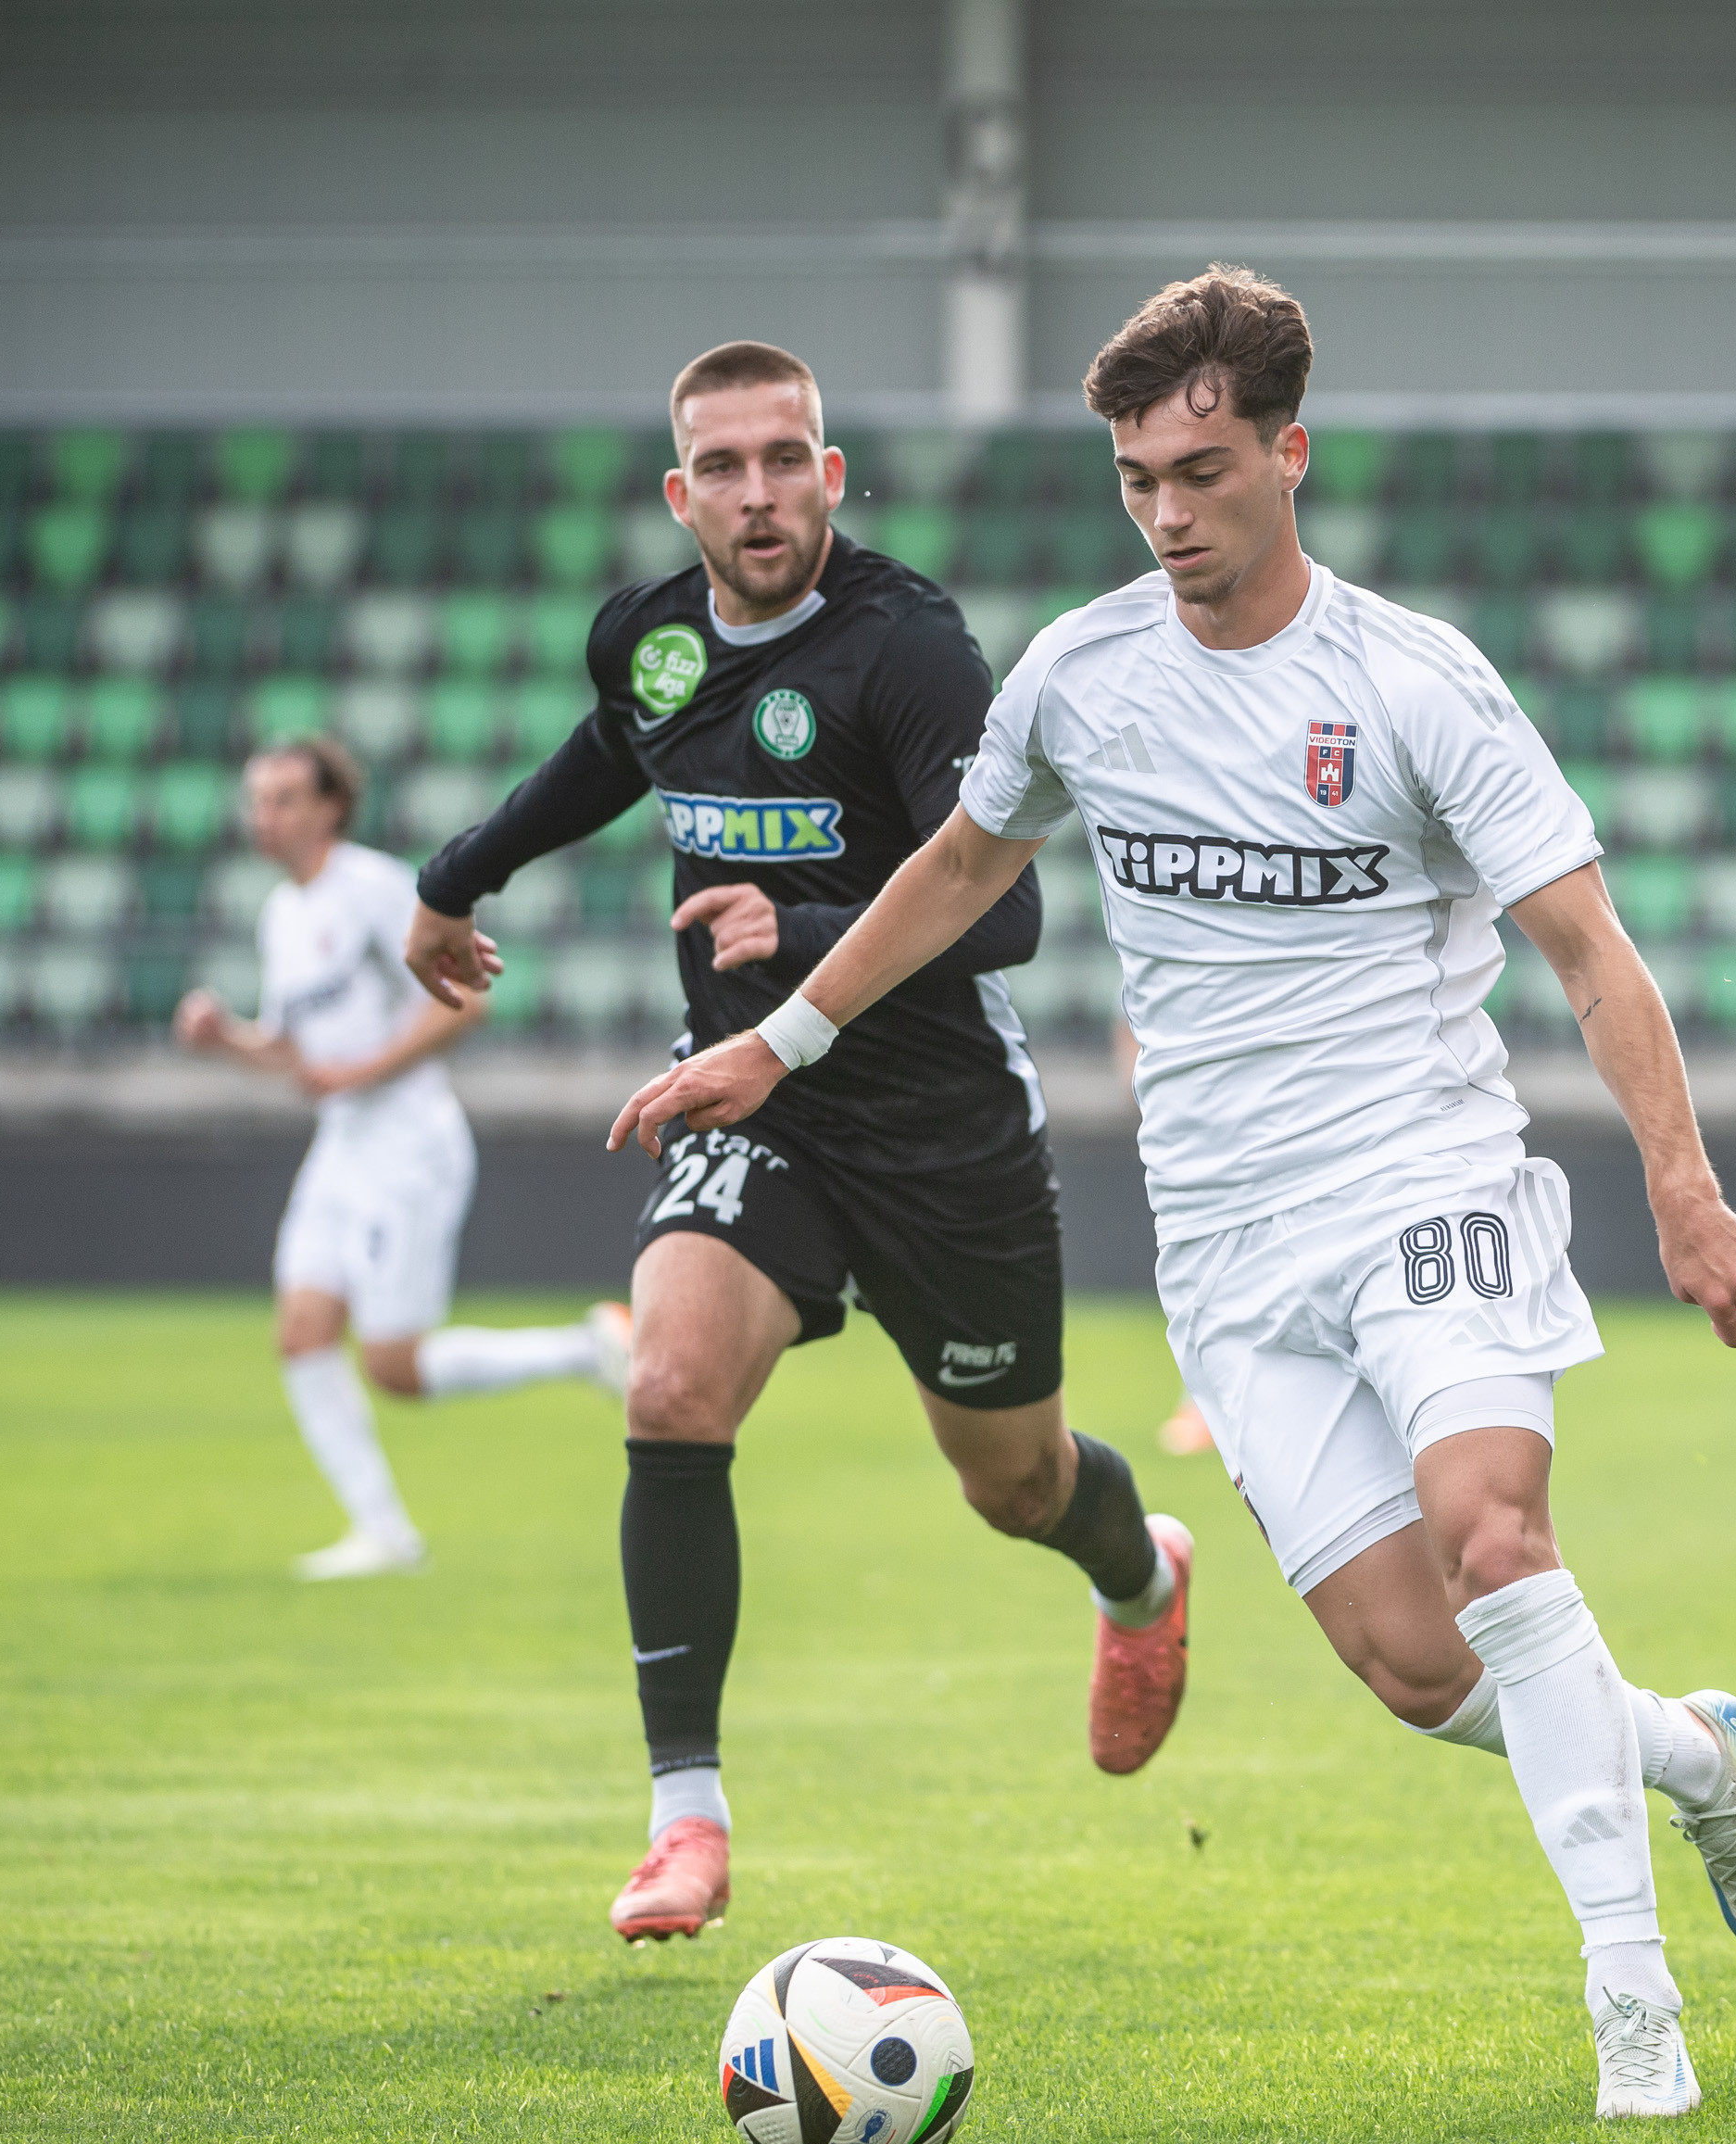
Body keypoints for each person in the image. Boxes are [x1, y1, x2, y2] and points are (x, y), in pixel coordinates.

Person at [606, 271, 1736, 2122]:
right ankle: (1695, 1758)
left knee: (1497, 1541)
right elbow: (957, 869)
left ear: (1288, 453)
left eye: (1201, 471)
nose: (1166, 514)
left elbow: (1590, 952)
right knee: (1418, 1670)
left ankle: (1632, 2011)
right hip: (1232, 1245)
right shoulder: (1083, 674)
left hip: (1422, 1177)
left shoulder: (1413, 684)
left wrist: (1684, 1190)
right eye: (1136, 481)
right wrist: (784, 1041)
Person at [400, 342, 1190, 1945]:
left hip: (940, 1127)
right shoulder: (651, 640)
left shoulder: (909, 650)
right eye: (724, 467)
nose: (756, 495)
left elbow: (1011, 915)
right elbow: (611, 749)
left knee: (1014, 1483)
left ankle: (1144, 1579)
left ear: (829, 477)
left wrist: (803, 925)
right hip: (754, 1105)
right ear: (679, 493)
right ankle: (683, 1822)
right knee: (670, 1387)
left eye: (785, 461)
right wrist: (456, 876)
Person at [174, 737, 631, 1582]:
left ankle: (585, 1348)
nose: (263, 817)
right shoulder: (283, 913)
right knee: (302, 1334)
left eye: (283, 798)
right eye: (257, 800)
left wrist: (362, 1071)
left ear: (330, 807)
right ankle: (381, 1532)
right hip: (344, 1143)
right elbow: (295, 1050)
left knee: (395, 1368)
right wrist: (226, 1040)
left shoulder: (375, 889)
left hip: (408, 1143)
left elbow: (465, 1004)